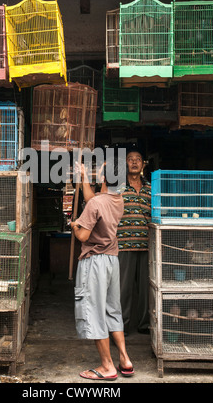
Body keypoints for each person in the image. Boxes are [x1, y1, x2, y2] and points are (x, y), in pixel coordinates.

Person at [71, 157, 133, 381]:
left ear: (105, 178)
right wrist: (84, 176)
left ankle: (107, 366)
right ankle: (125, 359)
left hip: (94, 262)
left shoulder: (97, 204)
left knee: (94, 312)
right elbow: (93, 200)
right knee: (112, 311)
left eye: (102, 171)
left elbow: (84, 235)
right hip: (111, 261)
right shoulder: (118, 199)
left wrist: (75, 226)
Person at [117, 145, 151, 335]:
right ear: (125, 164)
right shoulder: (118, 188)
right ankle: (122, 326)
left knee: (147, 289)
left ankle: (145, 324)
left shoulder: (150, 189)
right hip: (123, 244)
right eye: (131, 158)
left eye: (138, 159)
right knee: (124, 288)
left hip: (147, 245)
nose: (135, 162)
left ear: (143, 164)